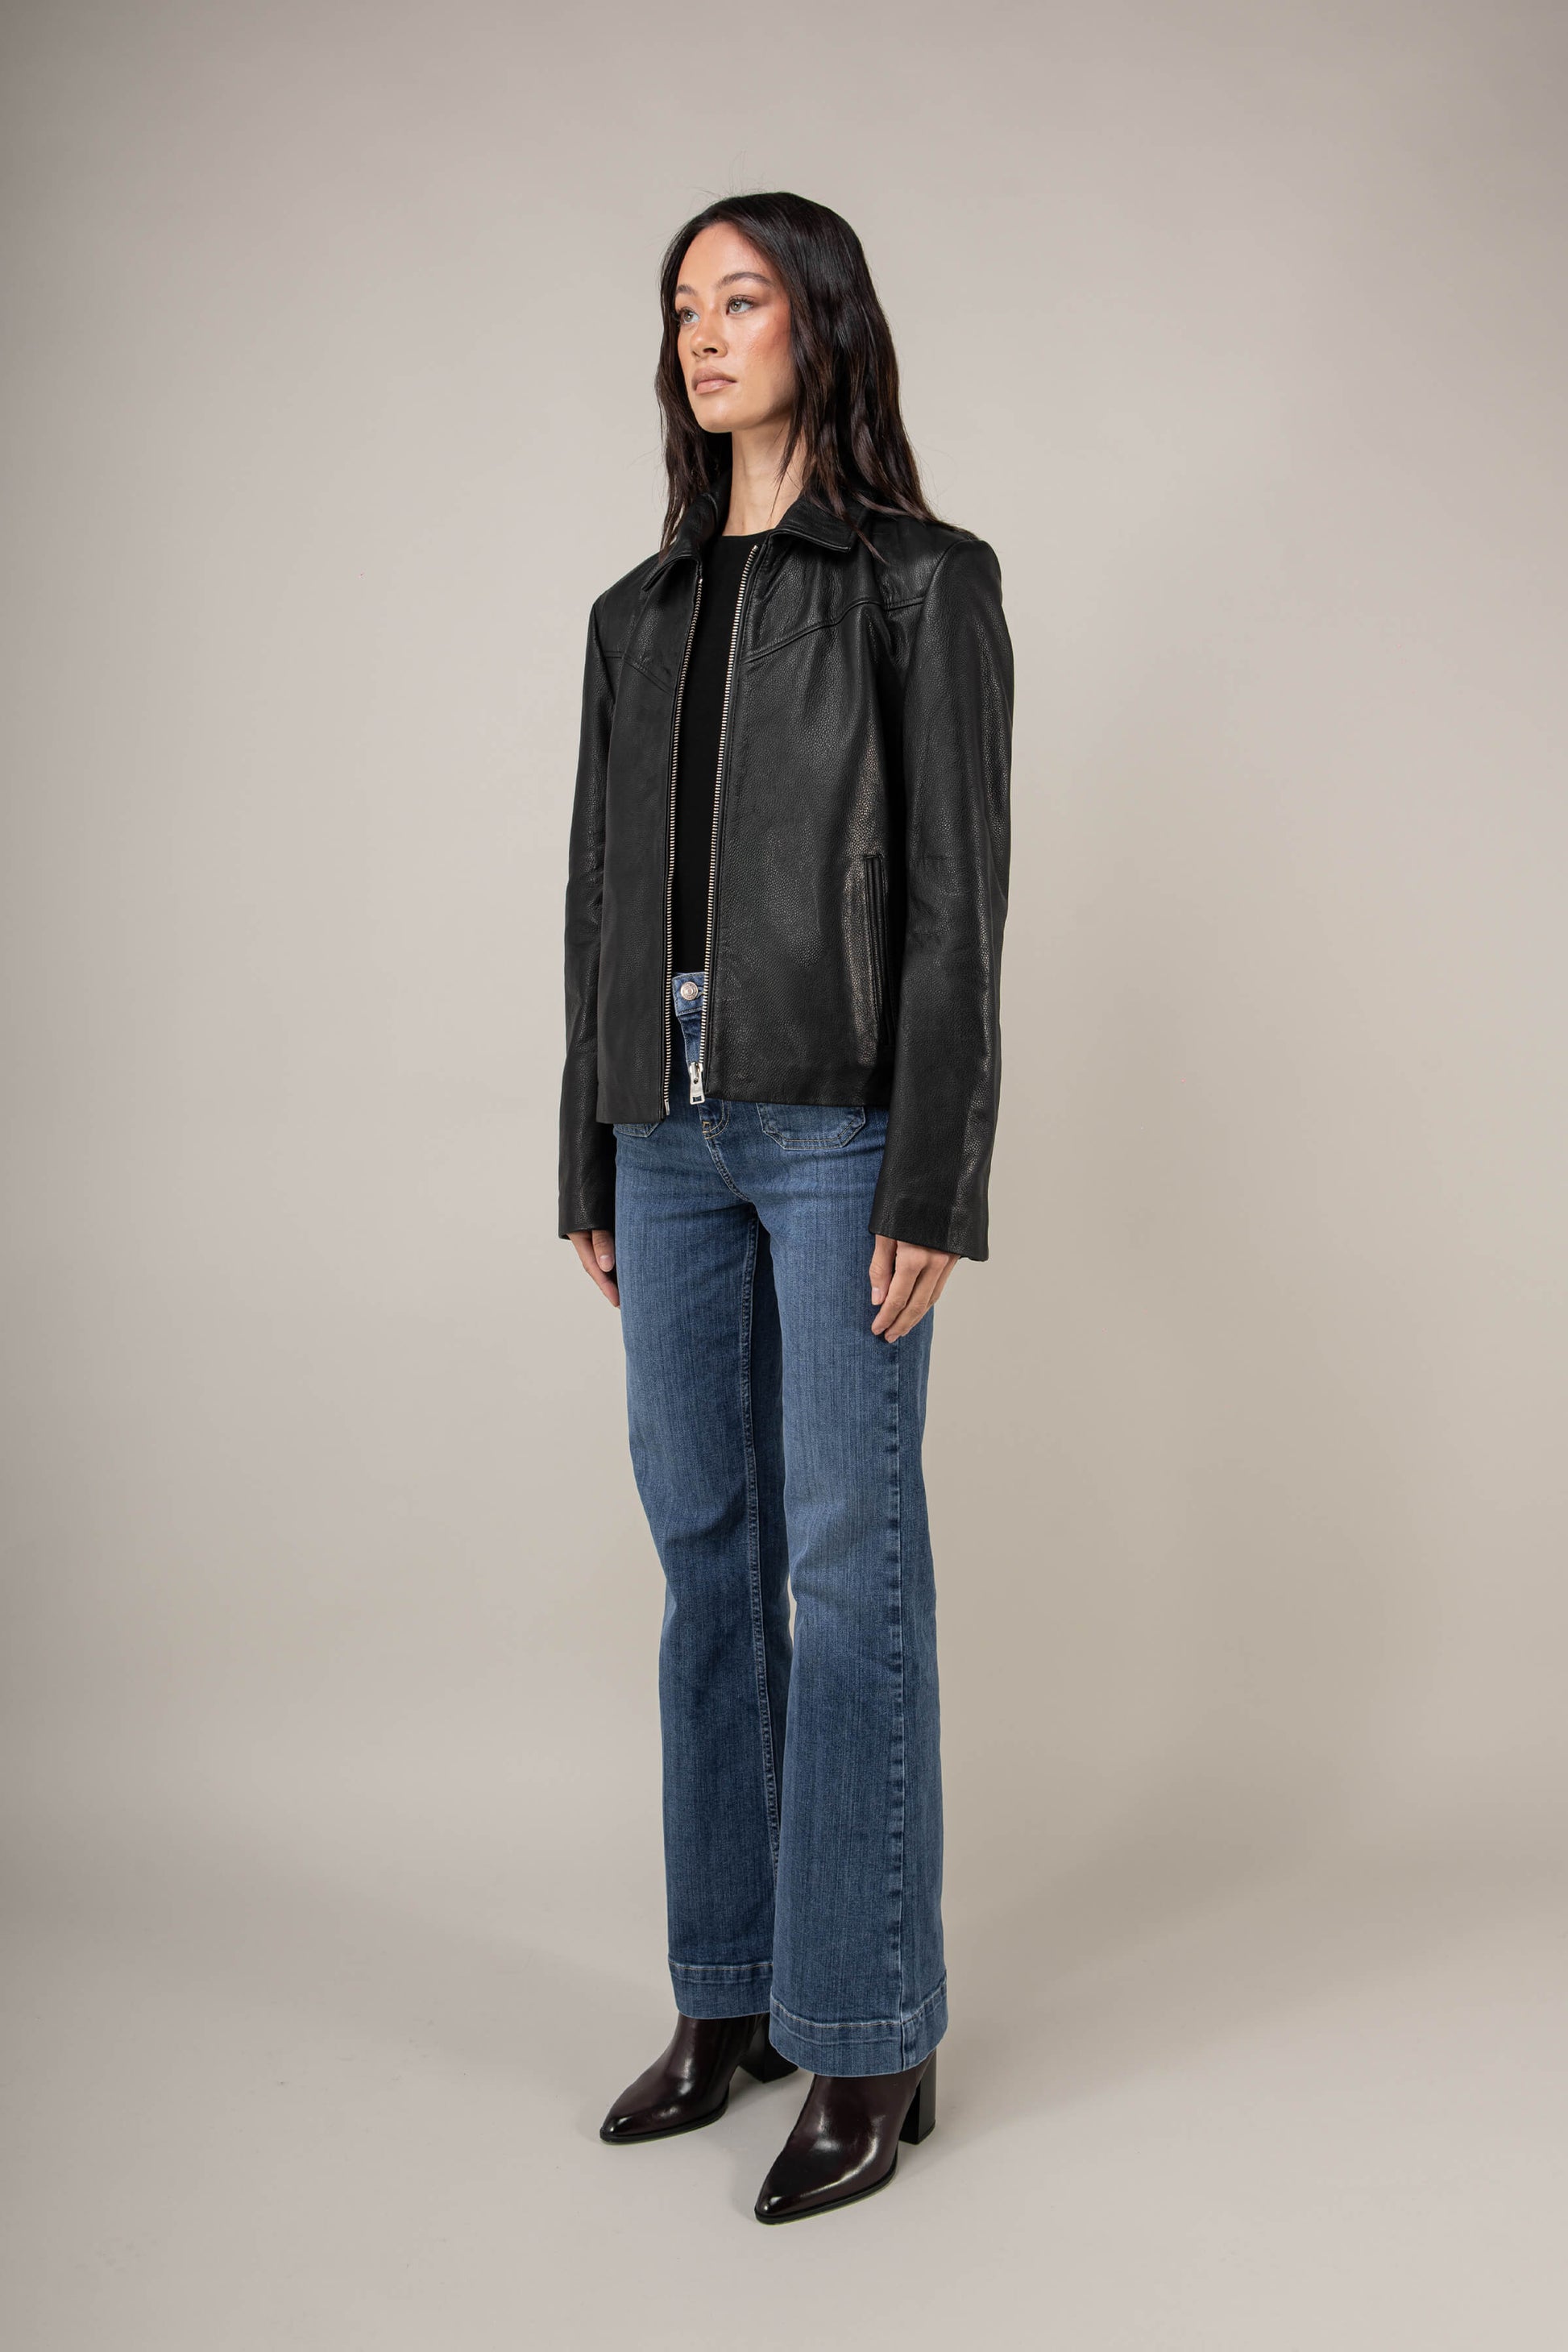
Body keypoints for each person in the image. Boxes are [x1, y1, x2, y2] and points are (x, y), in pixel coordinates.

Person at [557, 189, 1013, 2224]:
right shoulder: (634, 614)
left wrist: (935, 1167)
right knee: (705, 1559)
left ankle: (871, 2024)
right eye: (683, 304)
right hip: (662, 1124)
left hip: (837, 1120)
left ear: (821, 323)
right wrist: (586, 1144)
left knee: (849, 1560)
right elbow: (595, 897)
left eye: (740, 297)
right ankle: (727, 1991)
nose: (704, 331)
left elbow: (956, 898)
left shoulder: (922, 583)